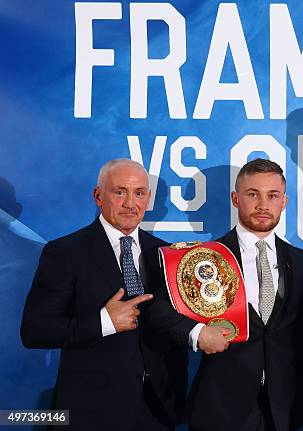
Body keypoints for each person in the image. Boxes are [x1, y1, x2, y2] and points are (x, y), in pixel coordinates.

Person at [149, 158, 303, 431]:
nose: (263, 205)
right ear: (236, 198)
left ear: (283, 201)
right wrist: (197, 333)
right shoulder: (202, 257)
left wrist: (300, 399)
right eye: (253, 194)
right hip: (220, 410)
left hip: (283, 412)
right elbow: (158, 312)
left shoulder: (301, 262)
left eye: (272, 196)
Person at [20, 159, 188, 430]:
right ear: (98, 196)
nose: (130, 203)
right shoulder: (65, 253)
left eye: (139, 193)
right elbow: (35, 331)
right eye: (119, 192)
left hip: (157, 412)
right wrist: (104, 322)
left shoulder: (167, 255)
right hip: (90, 414)